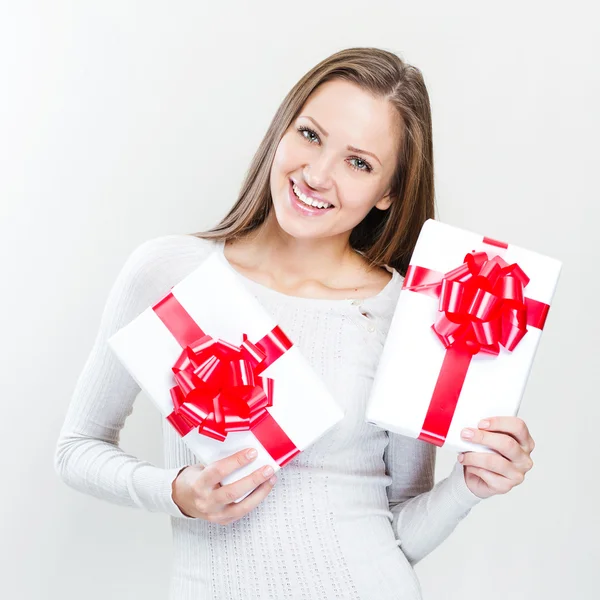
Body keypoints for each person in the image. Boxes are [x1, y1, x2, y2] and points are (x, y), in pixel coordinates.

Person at [54, 47, 536, 600]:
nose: (316, 174)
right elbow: (76, 449)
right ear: (282, 130)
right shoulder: (171, 273)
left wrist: (468, 488)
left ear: (389, 195)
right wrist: (178, 491)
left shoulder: (406, 314)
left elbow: (399, 531)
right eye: (310, 135)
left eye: (359, 163)